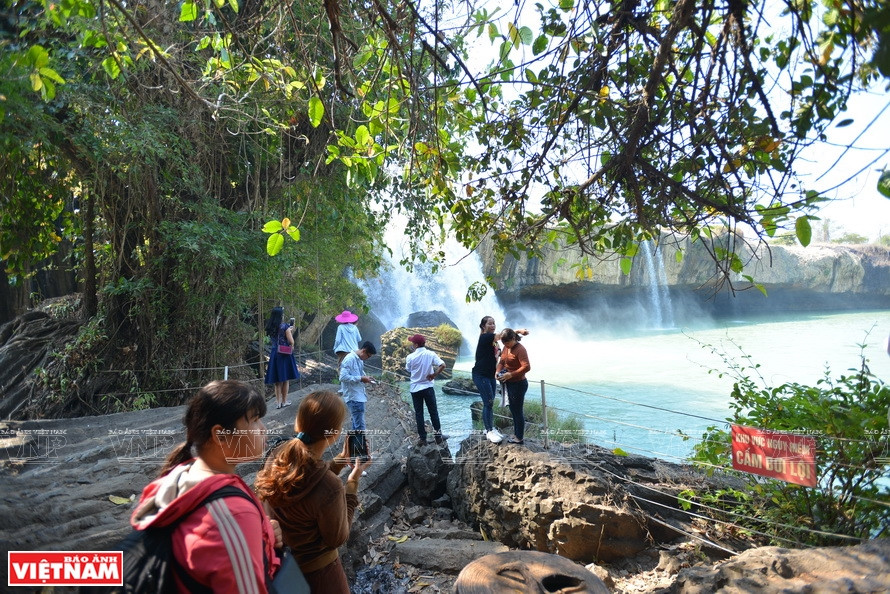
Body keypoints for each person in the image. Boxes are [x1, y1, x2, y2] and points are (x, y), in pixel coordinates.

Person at [130, 380, 281, 593]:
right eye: (255, 420)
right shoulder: (233, 514)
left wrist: (264, 534)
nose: (264, 429)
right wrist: (247, 528)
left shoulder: (183, 474)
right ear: (219, 435)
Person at [255, 391, 371, 594]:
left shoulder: (278, 456)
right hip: (322, 577)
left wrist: (342, 460)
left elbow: (306, 482)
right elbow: (337, 538)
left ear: (298, 423)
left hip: (285, 572)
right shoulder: (331, 486)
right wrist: (351, 484)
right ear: (334, 434)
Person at [472, 316, 529, 443]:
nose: (492, 326)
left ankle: (490, 428)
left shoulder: (502, 344)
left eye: (494, 323)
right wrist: (518, 330)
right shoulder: (486, 336)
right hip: (481, 375)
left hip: (490, 375)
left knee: (490, 403)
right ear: (483, 326)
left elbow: (502, 357)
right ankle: (489, 431)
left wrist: (498, 371)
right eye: (489, 324)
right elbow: (504, 336)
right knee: (488, 402)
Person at [405, 334, 446, 446]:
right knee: (433, 412)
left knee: (419, 414)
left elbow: (408, 369)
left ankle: (423, 439)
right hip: (428, 387)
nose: (412, 344)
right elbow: (443, 365)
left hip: (415, 388)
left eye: (413, 343)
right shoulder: (430, 354)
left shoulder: (410, 357)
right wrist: (434, 374)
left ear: (416, 344)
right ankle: (438, 437)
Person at [496, 328, 531, 445]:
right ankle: (516, 434)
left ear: (513, 339)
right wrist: (497, 371)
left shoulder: (520, 349)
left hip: (519, 384)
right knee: (513, 409)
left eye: (507, 343)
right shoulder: (507, 346)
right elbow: (502, 362)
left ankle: (519, 438)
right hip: (509, 383)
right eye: (503, 343)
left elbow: (526, 367)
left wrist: (511, 374)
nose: (505, 345)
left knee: (517, 411)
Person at [264, 306, 300, 409]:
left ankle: (278, 402)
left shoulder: (270, 326)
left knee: (277, 380)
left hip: (275, 352)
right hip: (284, 353)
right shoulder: (284, 326)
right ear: (280, 315)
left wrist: (288, 330)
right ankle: (284, 401)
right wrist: (289, 331)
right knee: (285, 379)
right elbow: (291, 341)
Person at [338, 340, 377, 432]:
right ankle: (359, 445)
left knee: (356, 424)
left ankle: (353, 444)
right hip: (353, 396)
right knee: (360, 427)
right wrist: (361, 378)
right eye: (368, 356)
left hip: (359, 395)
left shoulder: (360, 359)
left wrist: (367, 378)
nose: (368, 358)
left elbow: (360, 373)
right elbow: (342, 377)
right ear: (363, 351)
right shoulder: (349, 359)